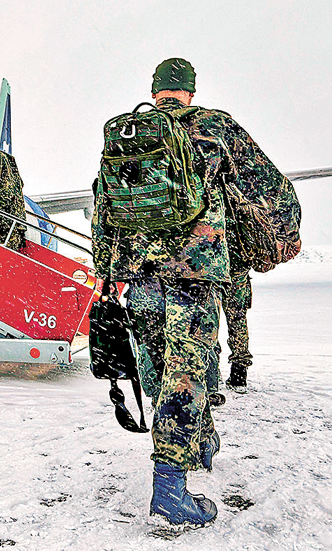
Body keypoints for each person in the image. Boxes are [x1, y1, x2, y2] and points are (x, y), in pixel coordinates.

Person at [93, 57, 234, 527]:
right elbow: (267, 192)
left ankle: (202, 437)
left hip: (141, 278)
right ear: (190, 91)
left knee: (162, 369)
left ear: (155, 91)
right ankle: (170, 490)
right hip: (192, 274)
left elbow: (103, 207)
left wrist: (108, 271)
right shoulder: (213, 127)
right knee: (188, 371)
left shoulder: (126, 135)